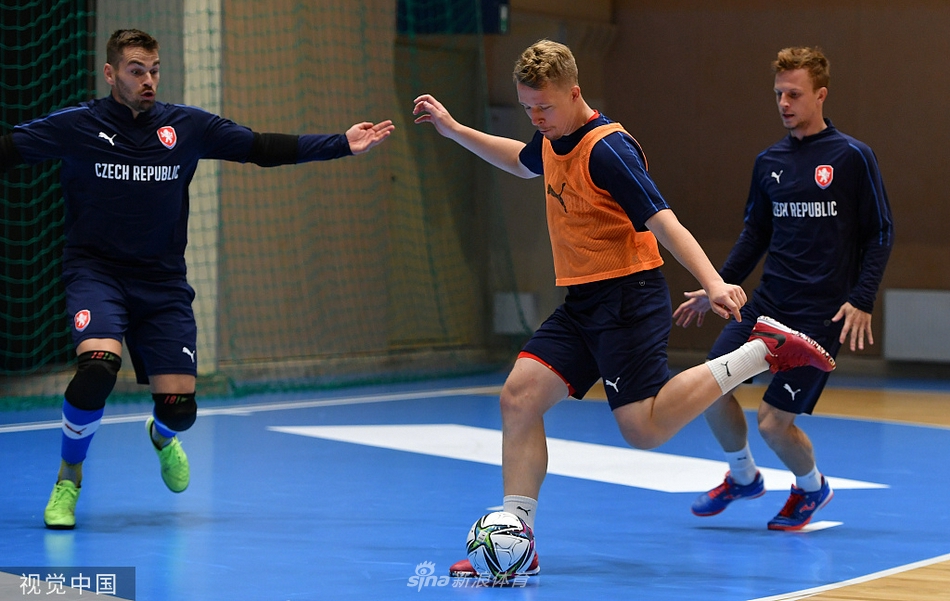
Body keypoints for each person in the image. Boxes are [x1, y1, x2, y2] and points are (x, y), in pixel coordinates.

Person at [412, 39, 835, 578]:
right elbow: (520, 161)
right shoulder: (552, 138)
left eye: (544, 107)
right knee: (518, 398)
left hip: (629, 299)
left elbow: (664, 221)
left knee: (643, 430)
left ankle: (762, 351)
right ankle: (518, 541)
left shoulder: (608, 150)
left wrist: (713, 282)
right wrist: (454, 130)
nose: (536, 118)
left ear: (575, 93)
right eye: (527, 108)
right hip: (583, 302)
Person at [0, 29, 394, 530]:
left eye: (154, 70)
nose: (148, 80)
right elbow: (9, 148)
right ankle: (69, 477)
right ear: (111, 74)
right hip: (96, 272)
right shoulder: (78, 125)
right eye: (136, 71)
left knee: (179, 410)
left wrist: (341, 144)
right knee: (98, 368)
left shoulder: (185, 126)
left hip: (162, 282)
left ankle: (162, 435)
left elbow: (259, 146)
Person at [673, 46, 893, 530]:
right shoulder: (768, 161)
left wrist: (862, 298)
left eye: (794, 94)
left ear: (821, 95)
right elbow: (755, 234)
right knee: (709, 389)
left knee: (773, 422)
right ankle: (743, 477)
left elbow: (880, 232)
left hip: (819, 317)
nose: (784, 103)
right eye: (778, 94)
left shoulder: (852, 157)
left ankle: (811, 488)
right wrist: (718, 285)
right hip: (767, 307)